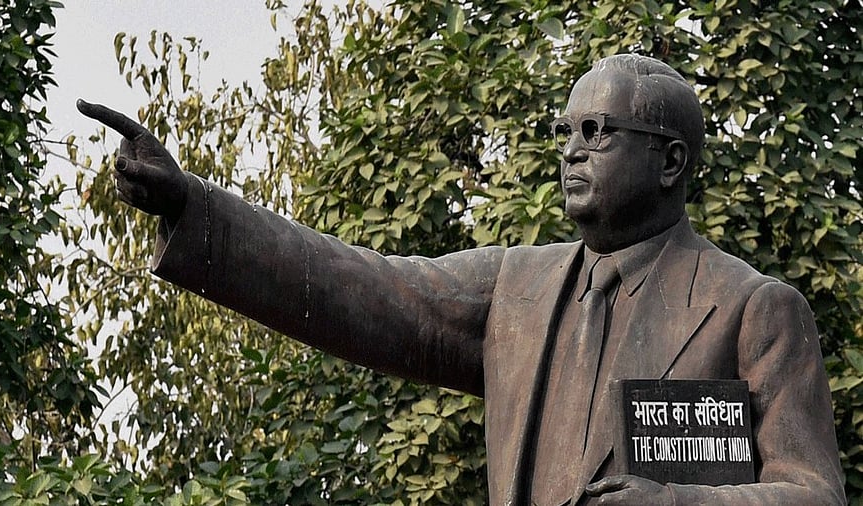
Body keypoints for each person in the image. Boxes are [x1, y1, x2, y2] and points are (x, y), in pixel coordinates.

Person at [78, 54, 846, 505]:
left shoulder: (752, 309)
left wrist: (678, 502)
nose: (572, 151)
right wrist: (195, 206)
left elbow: (812, 492)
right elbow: (359, 285)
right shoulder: (517, 286)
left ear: (671, 161)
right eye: (564, 133)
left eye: (597, 132)